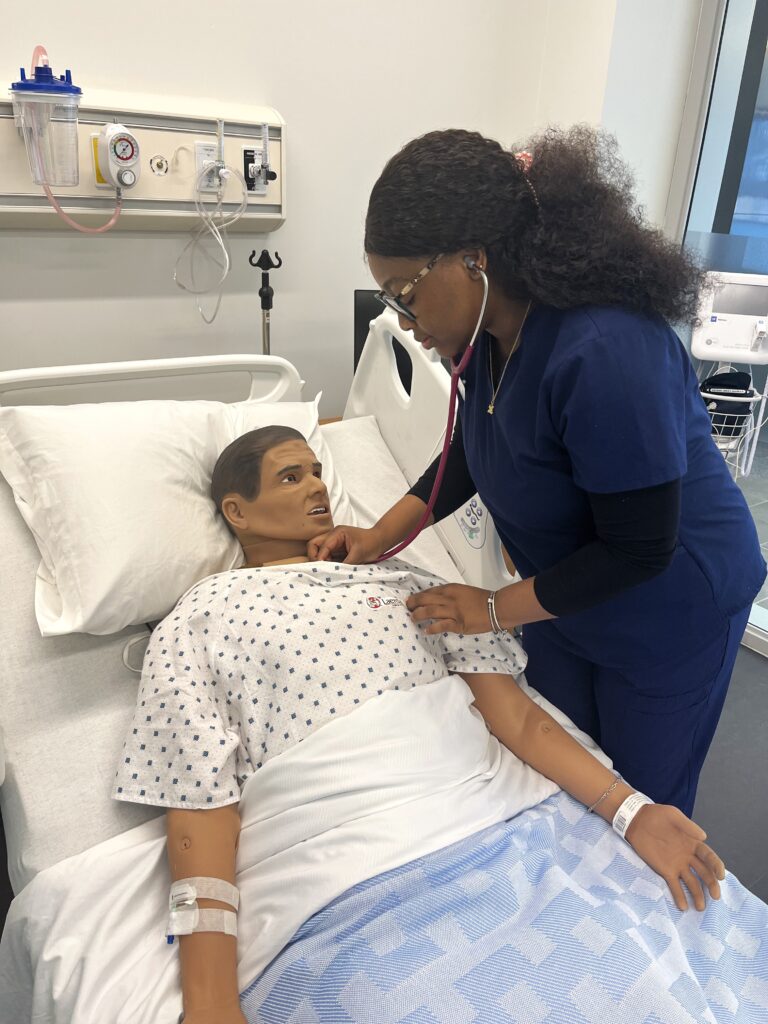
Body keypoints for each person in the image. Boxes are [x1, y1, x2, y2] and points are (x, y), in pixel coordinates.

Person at [114, 425, 726, 1024]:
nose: (317, 489)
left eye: (319, 472)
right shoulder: (201, 616)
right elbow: (200, 803)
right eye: (290, 477)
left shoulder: (399, 580)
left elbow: (516, 718)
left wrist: (631, 812)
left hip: (501, 825)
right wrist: (211, 1002)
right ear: (236, 511)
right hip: (349, 872)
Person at [310, 126, 767, 818]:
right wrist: (378, 536)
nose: (403, 322)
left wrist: (490, 608)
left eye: (405, 293)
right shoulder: (490, 335)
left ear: (473, 261)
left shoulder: (605, 351)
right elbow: (475, 447)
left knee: (639, 808)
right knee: (559, 774)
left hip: (668, 605)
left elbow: (639, 548)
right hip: (562, 593)